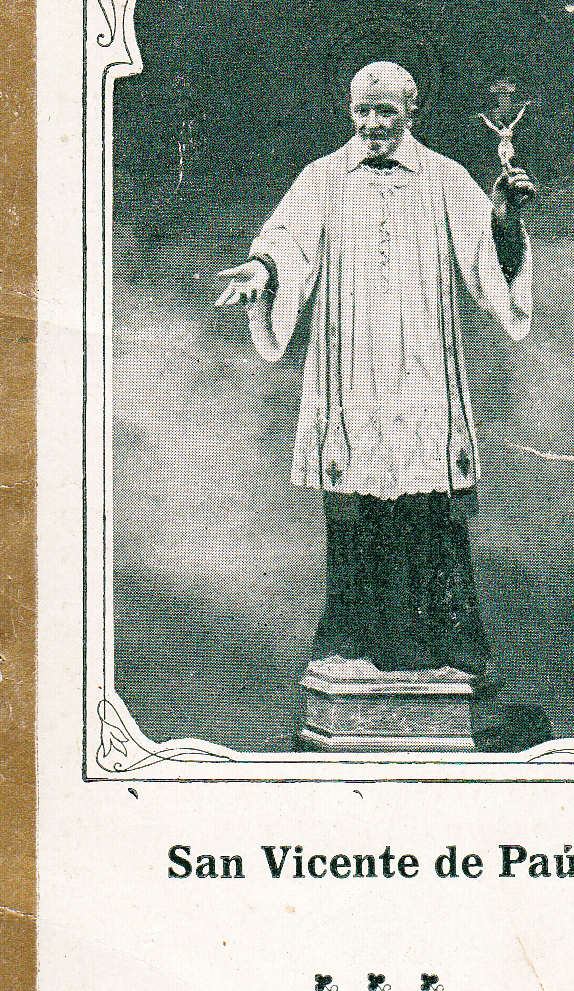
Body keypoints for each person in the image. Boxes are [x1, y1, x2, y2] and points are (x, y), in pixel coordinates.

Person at [215, 61, 534, 676]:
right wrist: (262, 271)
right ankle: (353, 647)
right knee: (355, 510)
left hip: (423, 371)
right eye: (361, 111)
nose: (371, 124)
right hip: (351, 369)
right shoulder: (324, 178)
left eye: (385, 111)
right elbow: (288, 243)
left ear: (411, 112)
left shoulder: (445, 178)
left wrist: (504, 217)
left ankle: (441, 652)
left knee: (429, 508)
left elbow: (486, 259)